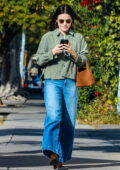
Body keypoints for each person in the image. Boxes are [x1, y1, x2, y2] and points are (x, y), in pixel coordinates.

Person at [35, 4, 88, 169]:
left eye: (68, 21)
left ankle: (61, 158)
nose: (64, 24)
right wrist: (52, 52)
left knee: (68, 121)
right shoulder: (48, 37)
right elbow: (38, 59)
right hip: (52, 81)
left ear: (72, 22)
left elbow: (83, 61)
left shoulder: (78, 38)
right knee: (54, 116)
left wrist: (74, 53)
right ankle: (52, 152)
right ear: (56, 21)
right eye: (61, 21)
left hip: (70, 83)